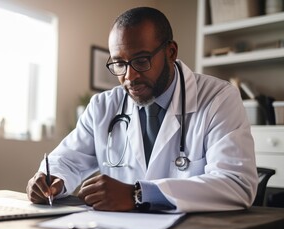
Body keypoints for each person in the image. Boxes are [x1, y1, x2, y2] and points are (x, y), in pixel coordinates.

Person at [26, 7, 258, 213]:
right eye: (119, 63)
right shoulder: (103, 106)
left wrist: (139, 194)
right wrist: (51, 179)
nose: (130, 76)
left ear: (171, 52)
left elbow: (236, 184)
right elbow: (66, 161)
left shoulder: (218, 98)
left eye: (141, 60)